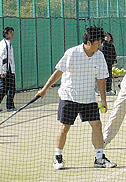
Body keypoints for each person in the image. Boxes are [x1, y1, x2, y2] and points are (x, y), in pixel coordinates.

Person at [35, 26, 116, 169]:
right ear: (89, 42)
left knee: (97, 125)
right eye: (98, 43)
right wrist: (44, 89)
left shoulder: (99, 55)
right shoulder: (72, 53)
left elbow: (101, 79)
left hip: (88, 97)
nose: (100, 45)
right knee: (65, 127)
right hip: (69, 96)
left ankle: (99, 158)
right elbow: (58, 72)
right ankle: (58, 157)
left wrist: (103, 99)